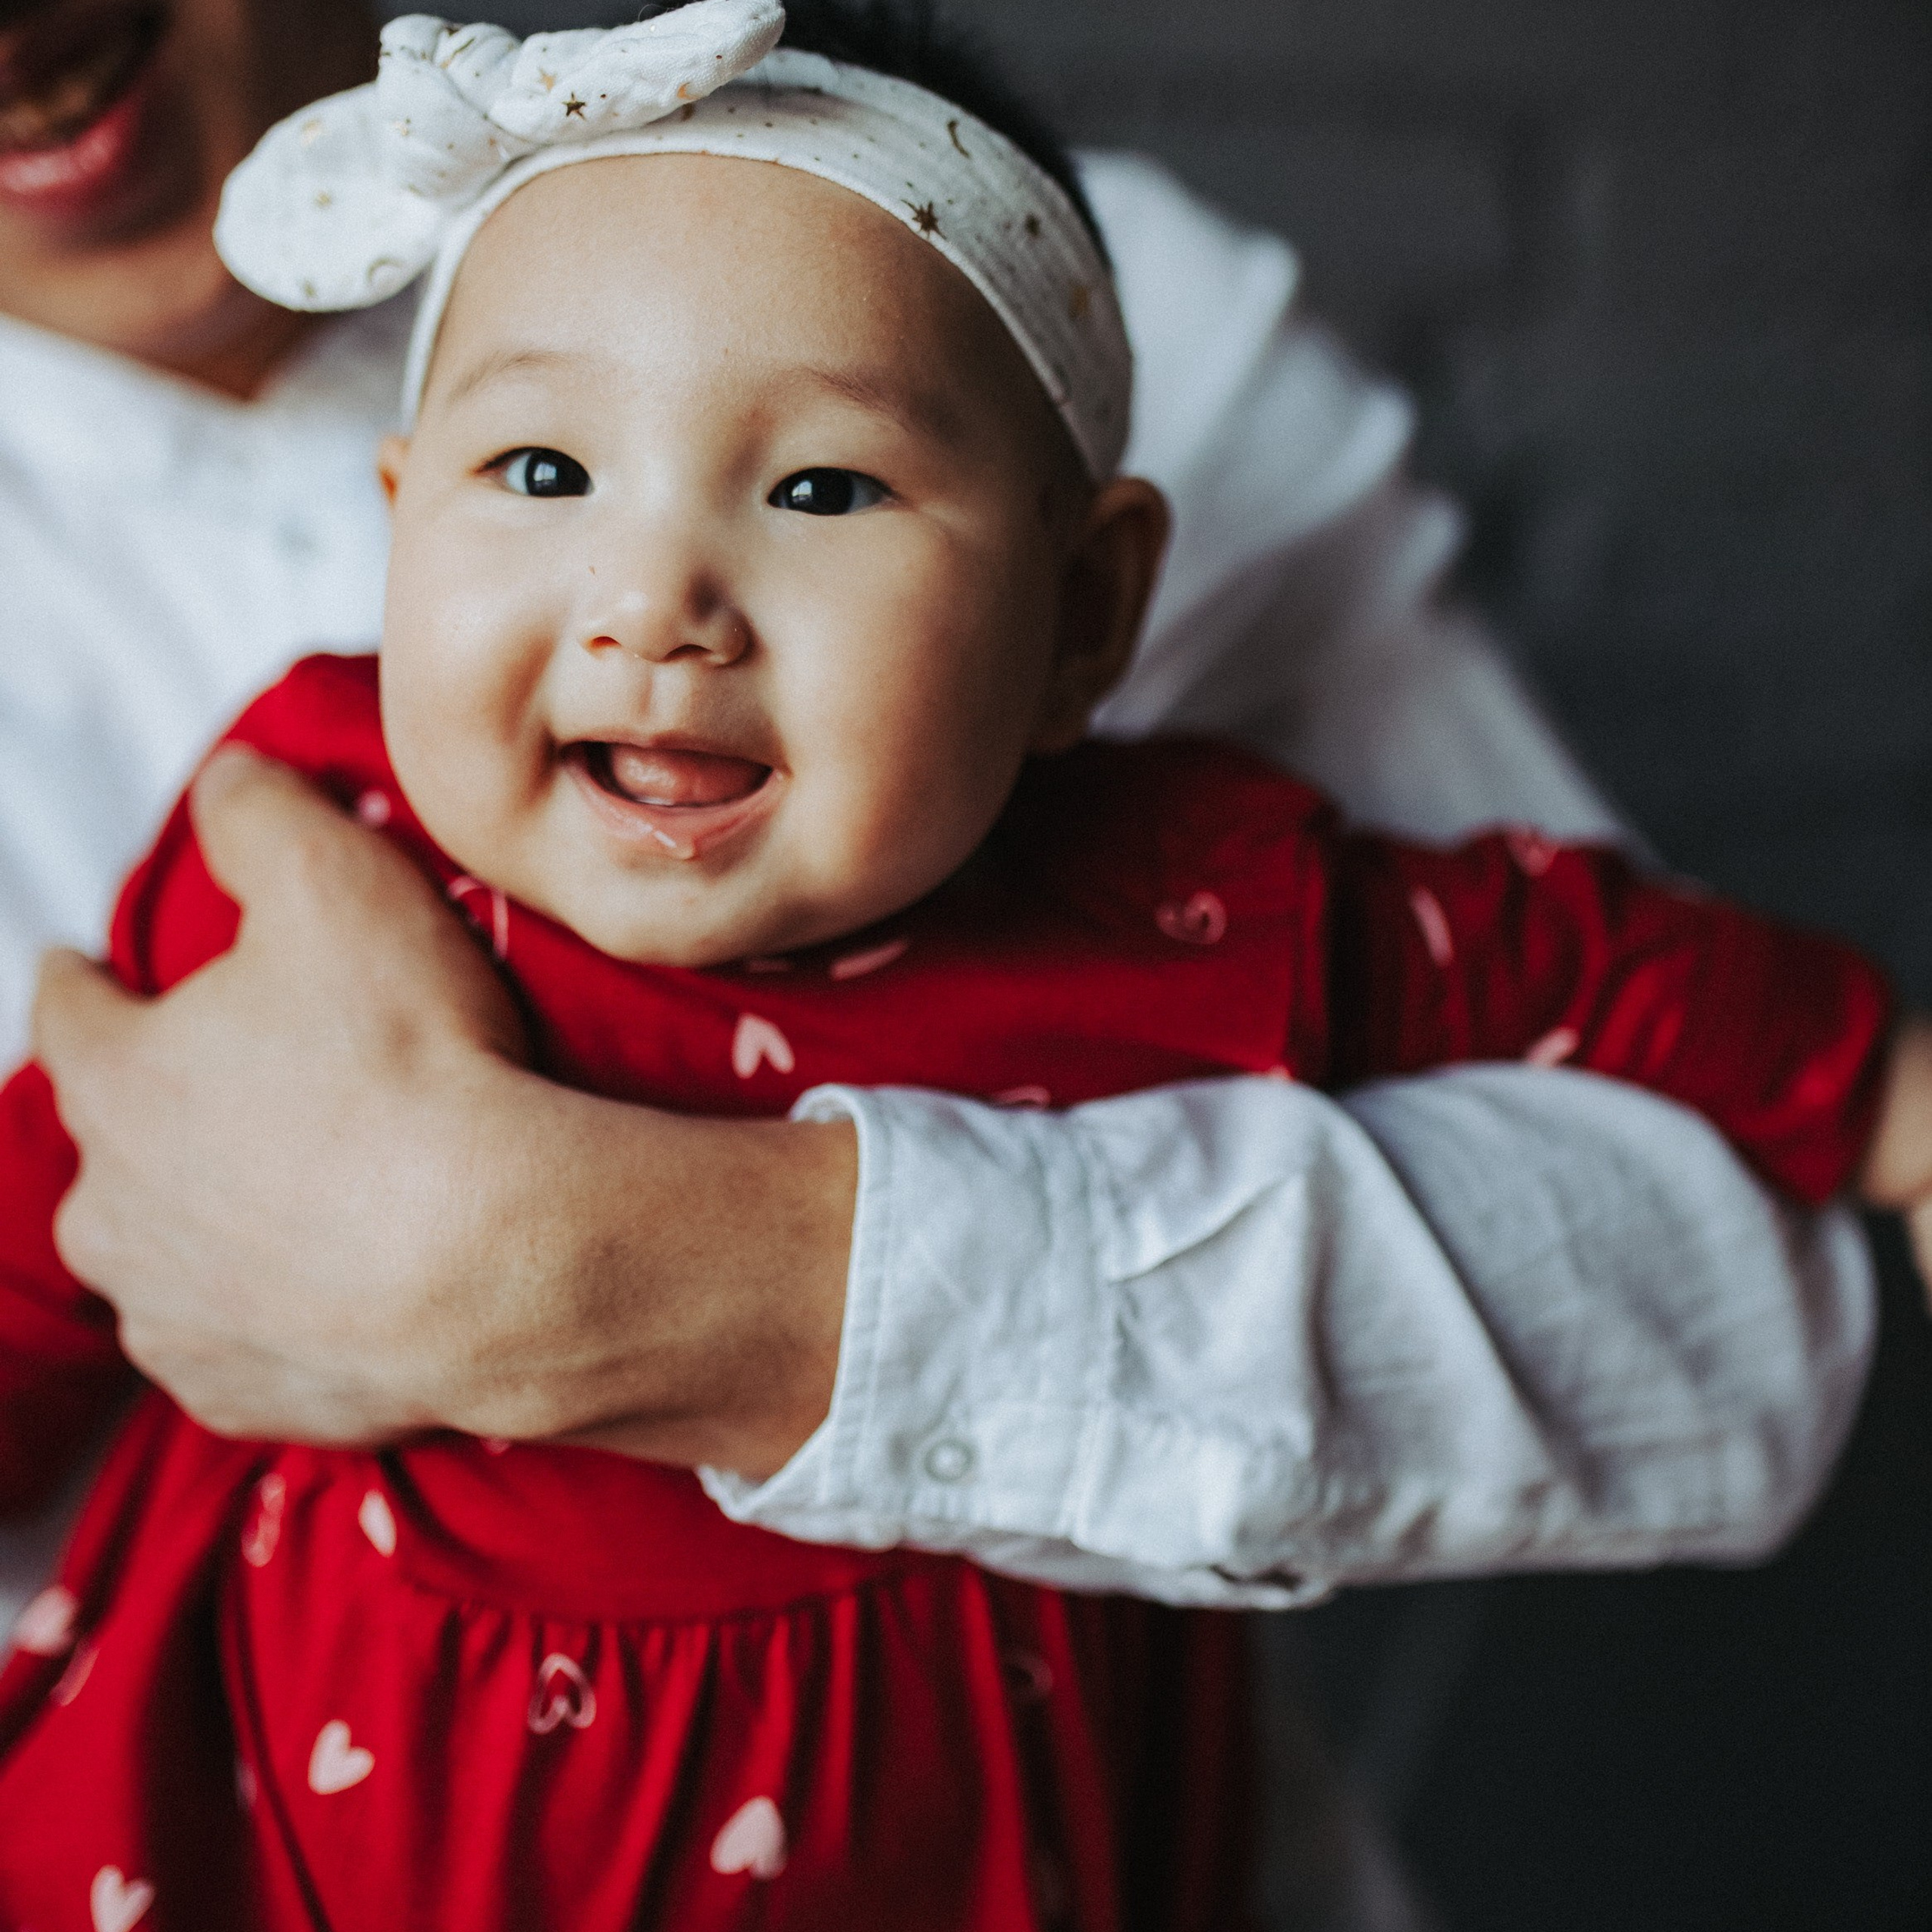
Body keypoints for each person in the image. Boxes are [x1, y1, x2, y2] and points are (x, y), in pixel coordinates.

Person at [1, 14, 1926, 1923]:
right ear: (401, 519)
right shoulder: (307, 808)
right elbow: (35, 1232)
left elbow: (1575, 971)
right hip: (294, 1829)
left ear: (1083, 616)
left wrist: (1889, 1098)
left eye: (820, 492)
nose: (654, 601)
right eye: (539, 471)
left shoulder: (1158, 894)